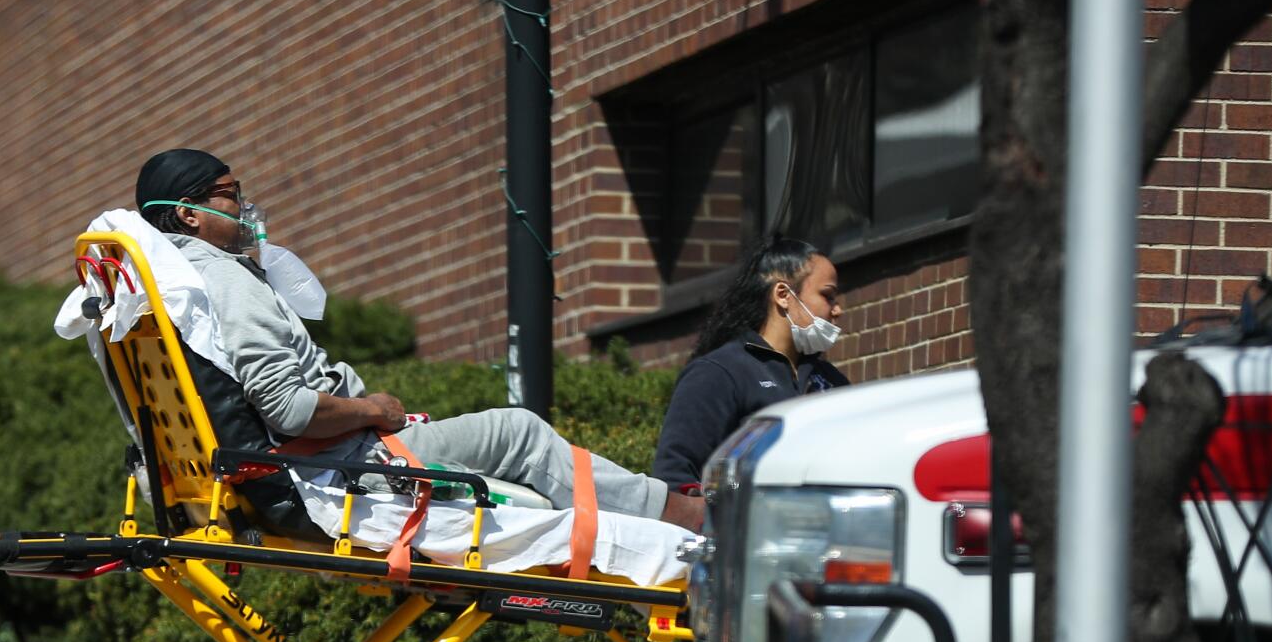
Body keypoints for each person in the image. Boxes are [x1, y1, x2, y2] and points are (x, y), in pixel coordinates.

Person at [133, 148, 704, 532]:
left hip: (318, 462)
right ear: (188, 214)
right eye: (231, 193)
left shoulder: (172, 287)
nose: (245, 206)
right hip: (342, 466)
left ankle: (637, 513)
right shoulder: (224, 277)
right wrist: (371, 409)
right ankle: (678, 514)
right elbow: (291, 409)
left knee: (509, 481)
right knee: (520, 432)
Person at [651, 238, 850, 489]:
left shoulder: (832, 381)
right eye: (828, 296)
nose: (837, 310)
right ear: (783, 295)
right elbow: (675, 477)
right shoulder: (719, 373)